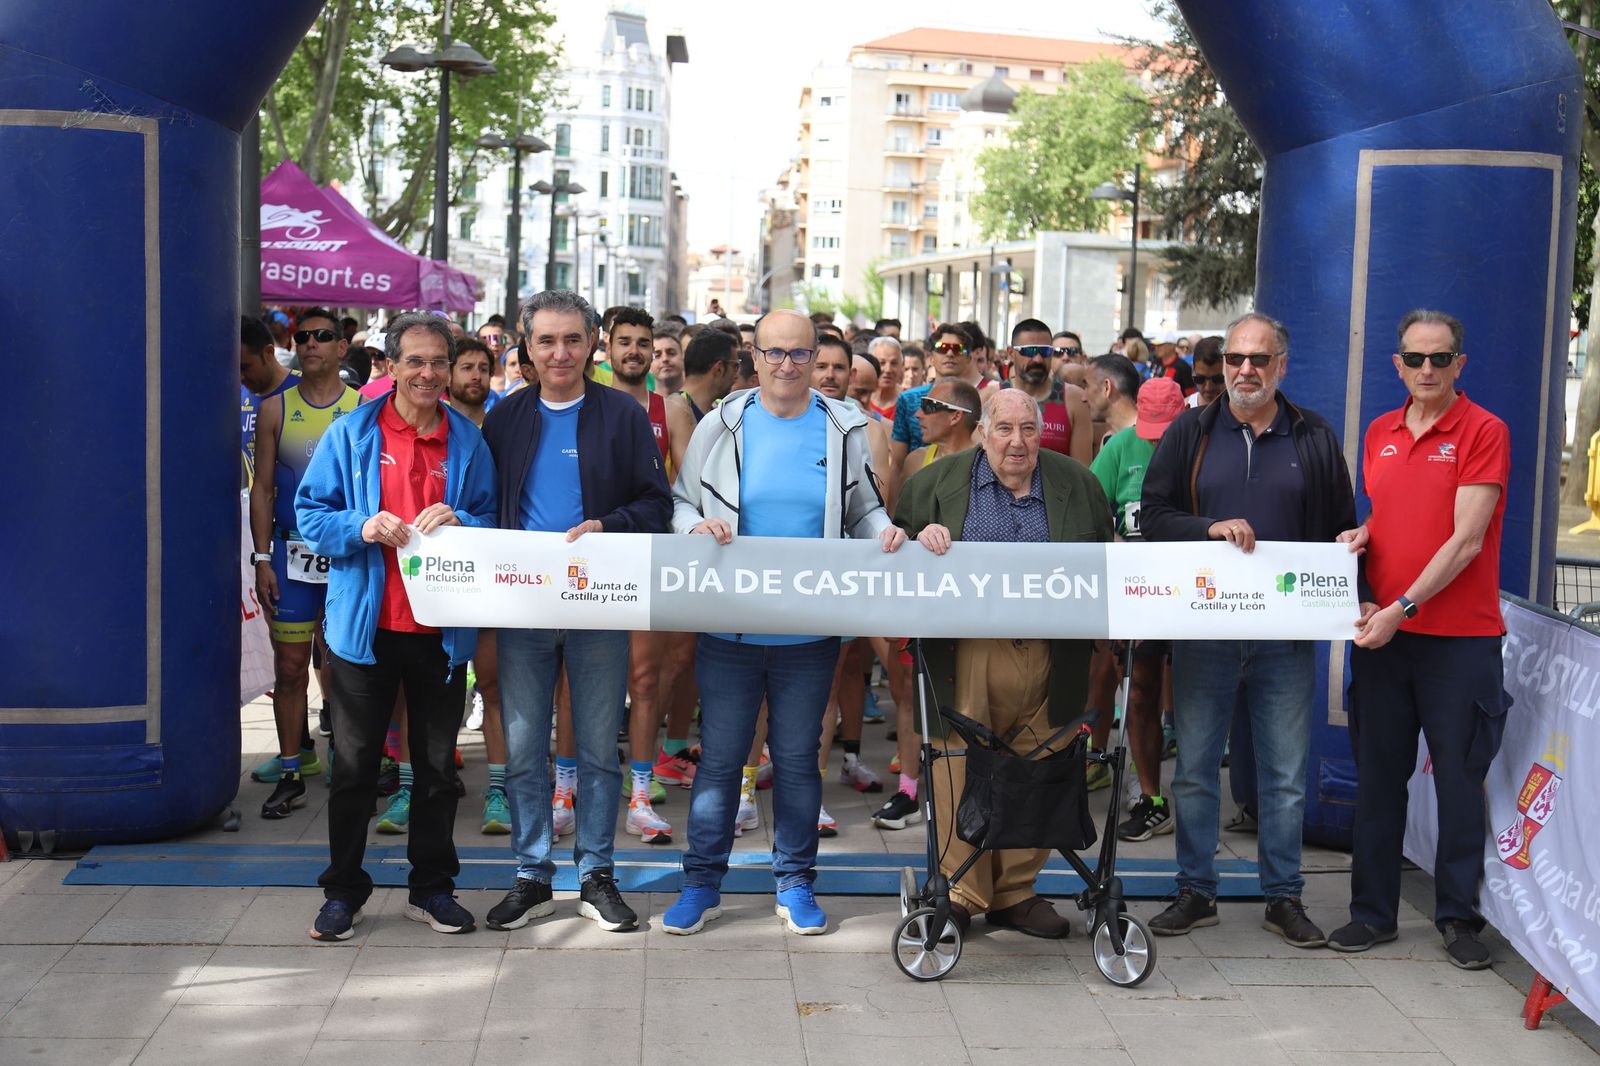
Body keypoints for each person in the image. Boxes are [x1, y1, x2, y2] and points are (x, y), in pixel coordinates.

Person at [662, 308, 906, 937]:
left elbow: (865, 511)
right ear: (755, 357)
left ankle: (795, 883)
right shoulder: (725, 420)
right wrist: (697, 526)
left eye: (801, 354)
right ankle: (701, 885)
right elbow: (682, 501)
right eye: (776, 353)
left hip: (808, 632)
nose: (789, 365)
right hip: (730, 628)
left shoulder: (844, 425)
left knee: (798, 763)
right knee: (719, 763)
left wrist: (887, 533)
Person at [1140, 311, 1356, 947]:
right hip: (1203, 628)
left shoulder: (1312, 436)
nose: (1245, 371)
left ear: (1281, 366)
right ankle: (1195, 891)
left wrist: (1347, 550)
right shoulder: (1192, 429)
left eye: (1259, 359)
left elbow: (1339, 527)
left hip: (1283, 637)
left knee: (1285, 775)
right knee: (1196, 768)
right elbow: (1152, 516)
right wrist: (1207, 527)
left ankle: (1283, 898)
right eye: (1236, 358)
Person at [294, 311, 497, 941]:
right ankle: (343, 892)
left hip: (440, 630)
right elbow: (309, 513)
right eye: (415, 361)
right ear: (391, 366)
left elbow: (493, 521)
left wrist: (463, 521)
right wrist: (361, 526)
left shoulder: (467, 441)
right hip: (364, 628)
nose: (428, 373)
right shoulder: (352, 434)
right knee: (353, 768)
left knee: (437, 770)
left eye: (439, 361)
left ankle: (432, 889)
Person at [480, 291, 672, 934]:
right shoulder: (505, 418)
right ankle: (531, 875)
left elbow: (656, 506)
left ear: (592, 342)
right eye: (545, 341)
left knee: (595, 747)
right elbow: (484, 503)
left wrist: (607, 523)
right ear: (526, 349)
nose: (559, 353)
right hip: (524, 603)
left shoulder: (622, 415)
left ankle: (597, 873)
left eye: (571, 340)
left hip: (597, 602)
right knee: (527, 746)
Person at [1329, 310, 1510, 970]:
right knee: (1377, 779)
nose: (1427, 370)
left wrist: (1401, 606)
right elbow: (1393, 510)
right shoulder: (1380, 431)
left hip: (1458, 641)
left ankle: (1458, 917)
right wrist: (1365, 536)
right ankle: (1371, 914)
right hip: (1385, 637)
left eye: (1440, 359)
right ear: (1396, 365)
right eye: (1415, 359)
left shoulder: (1484, 430)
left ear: (1460, 364)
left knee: (1461, 784)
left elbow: (1466, 539)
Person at [896, 389, 1113, 937]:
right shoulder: (932, 485)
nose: (1017, 442)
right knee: (956, 761)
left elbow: (1105, 560)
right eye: (1004, 429)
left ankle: (1016, 891)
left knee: (1040, 760)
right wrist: (920, 538)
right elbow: (894, 556)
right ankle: (961, 890)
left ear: (1043, 432)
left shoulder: (1078, 485)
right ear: (982, 432)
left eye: (1029, 430)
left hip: (1052, 649)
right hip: (968, 647)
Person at [249, 308, 359, 817]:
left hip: (345, 556)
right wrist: (261, 558)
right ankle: (292, 768)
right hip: (290, 556)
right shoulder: (275, 407)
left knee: (346, 665)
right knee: (290, 667)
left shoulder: (362, 408)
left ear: (342, 347)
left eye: (322, 337)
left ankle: (349, 761)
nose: (311, 343)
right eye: (303, 337)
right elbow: (264, 488)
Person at [606, 306, 695, 844]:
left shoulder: (671, 410)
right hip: (592, 557)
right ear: (608, 349)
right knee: (576, 683)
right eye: (626, 342)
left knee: (645, 677)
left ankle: (640, 793)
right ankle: (564, 791)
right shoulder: (586, 401)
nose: (636, 351)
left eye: (645, 342)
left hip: (648, 556)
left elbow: (684, 488)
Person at [1091, 377, 1185, 841]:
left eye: (1165, 430)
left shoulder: (1202, 444)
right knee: (1140, 690)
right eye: (1150, 430)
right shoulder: (1121, 447)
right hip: (1137, 590)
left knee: (1197, 698)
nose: (1156, 440)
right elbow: (1091, 508)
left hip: (1195, 590)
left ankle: (1196, 796)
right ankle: (1151, 798)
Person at [890, 322, 995, 474]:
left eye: (957, 349)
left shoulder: (983, 400)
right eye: (942, 348)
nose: (950, 354)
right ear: (931, 357)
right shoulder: (908, 399)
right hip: (917, 477)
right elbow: (897, 464)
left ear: (969, 358)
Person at [1002, 319, 1092, 464]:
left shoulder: (1074, 399)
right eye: (1030, 351)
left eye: (1045, 352)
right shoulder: (991, 396)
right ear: (1011, 353)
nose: (1037, 359)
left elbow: (1082, 471)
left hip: (1059, 486)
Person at [240, 315, 298, 489]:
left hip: (301, 513)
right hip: (258, 510)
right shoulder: (235, 396)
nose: (241, 376)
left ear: (269, 352)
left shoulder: (305, 389)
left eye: (246, 367)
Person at [866, 335, 903, 419]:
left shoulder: (909, 401)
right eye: (882, 363)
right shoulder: (860, 399)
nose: (888, 370)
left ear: (901, 366)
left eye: (894, 363)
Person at [1188, 336, 1226, 408]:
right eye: (1200, 379)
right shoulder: (1184, 408)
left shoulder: (1245, 412)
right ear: (1193, 369)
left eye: (1217, 379)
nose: (1208, 388)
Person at [651, 327, 685, 395]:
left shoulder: (701, 402)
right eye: (657, 355)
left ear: (683, 357)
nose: (665, 359)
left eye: (671, 353)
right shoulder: (641, 405)